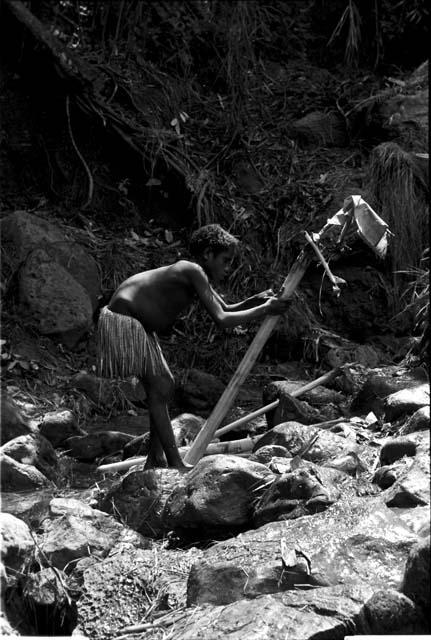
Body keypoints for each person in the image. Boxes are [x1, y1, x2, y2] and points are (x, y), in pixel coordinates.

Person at [97, 224, 290, 470]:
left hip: (137, 323)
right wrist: (265, 309)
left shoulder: (197, 274)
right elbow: (222, 320)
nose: (227, 268)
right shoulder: (193, 269)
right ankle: (175, 463)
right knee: (161, 387)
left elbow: (226, 309)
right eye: (225, 260)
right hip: (124, 320)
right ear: (208, 253)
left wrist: (256, 301)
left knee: (163, 384)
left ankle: (155, 458)